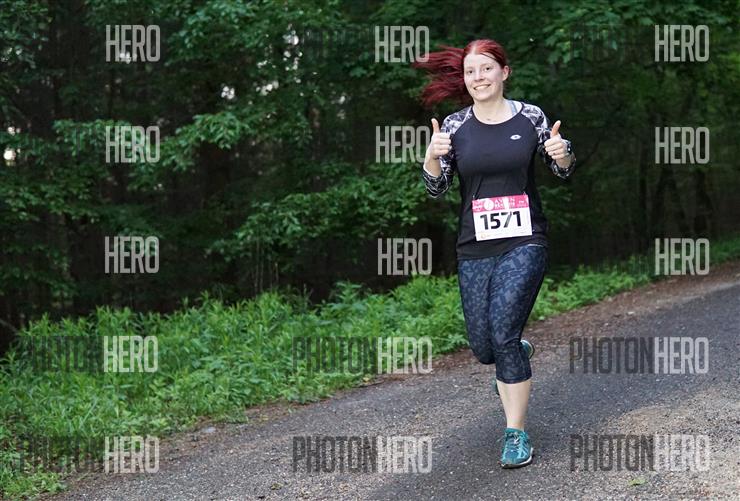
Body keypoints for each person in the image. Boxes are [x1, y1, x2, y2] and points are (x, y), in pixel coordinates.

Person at [414, 39, 576, 468]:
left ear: (504, 72)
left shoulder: (531, 117)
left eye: (486, 68)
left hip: (525, 240)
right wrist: (431, 157)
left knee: (502, 335)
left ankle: (516, 434)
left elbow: (562, 170)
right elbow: (436, 188)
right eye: (471, 71)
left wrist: (562, 154)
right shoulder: (454, 126)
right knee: (485, 348)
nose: (478, 77)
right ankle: (512, 354)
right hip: (474, 246)